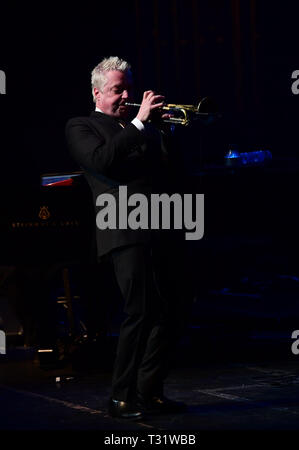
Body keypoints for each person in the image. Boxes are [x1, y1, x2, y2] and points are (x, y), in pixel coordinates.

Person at [65, 56, 191, 419]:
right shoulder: (83, 126)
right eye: (117, 90)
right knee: (140, 311)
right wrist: (138, 124)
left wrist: (164, 131)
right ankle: (121, 396)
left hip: (163, 225)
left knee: (174, 311)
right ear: (97, 93)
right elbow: (103, 162)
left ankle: (149, 392)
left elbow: (174, 173)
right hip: (123, 228)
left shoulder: (144, 129)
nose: (125, 96)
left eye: (128, 89)